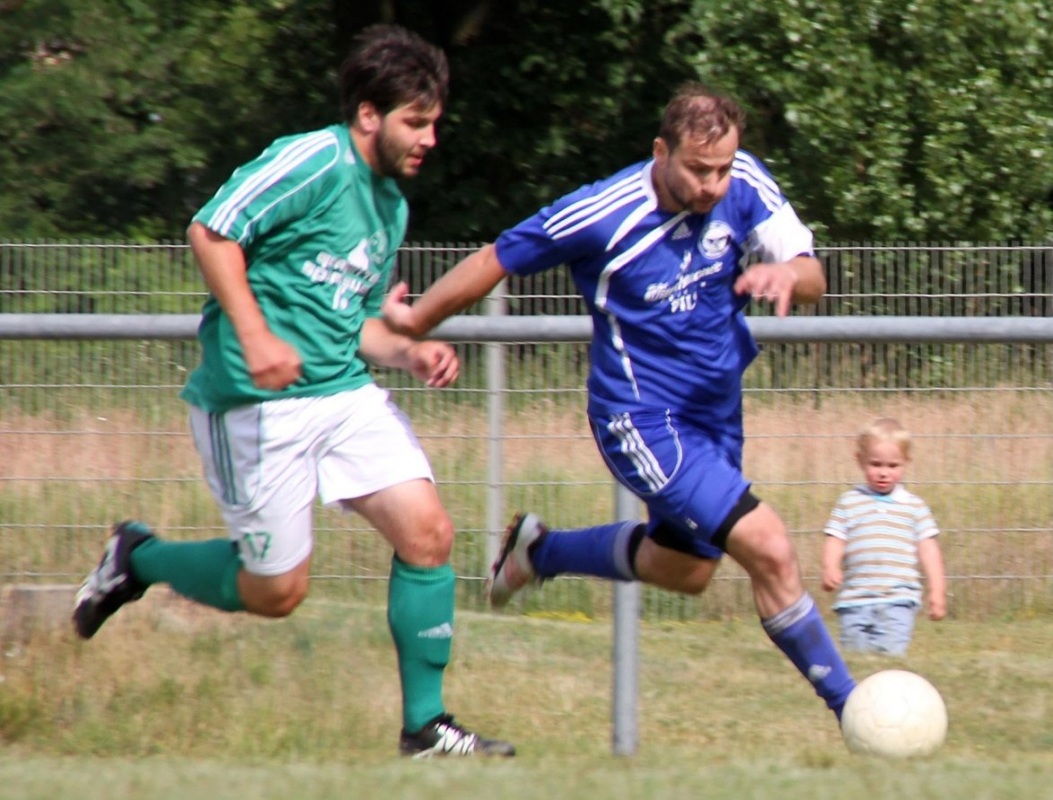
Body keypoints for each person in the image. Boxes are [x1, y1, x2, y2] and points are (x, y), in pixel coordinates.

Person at [71, 24, 514, 759]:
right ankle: (136, 558)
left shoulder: (389, 206)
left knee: (429, 532)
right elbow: (211, 232)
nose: (429, 138)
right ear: (367, 115)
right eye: (416, 121)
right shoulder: (312, 160)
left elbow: (355, 321)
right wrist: (254, 336)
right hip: (253, 401)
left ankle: (426, 727)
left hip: (341, 395)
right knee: (276, 593)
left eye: (434, 122)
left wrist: (408, 353)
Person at [383, 82, 858, 723]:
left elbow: (812, 273)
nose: (712, 184)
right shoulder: (602, 212)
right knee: (769, 546)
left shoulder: (743, 180)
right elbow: (498, 257)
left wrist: (787, 275)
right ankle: (856, 712)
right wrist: (414, 323)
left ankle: (539, 551)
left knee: (686, 571)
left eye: (721, 169)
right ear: (660, 151)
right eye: (697, 169)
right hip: (640, 418)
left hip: (716, 413)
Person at [821, 417, 947, 656]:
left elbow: (928, 549)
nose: (883, 473)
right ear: (860, 460)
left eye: (892, 466)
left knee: (888, 663)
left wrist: (937, 591)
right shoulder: (849, 502)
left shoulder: (914, 506)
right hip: (854, 601)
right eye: (876, 464)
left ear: (906, 463)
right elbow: (835, 538)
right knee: (856, 664)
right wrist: (830, 567)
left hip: (897, 600)